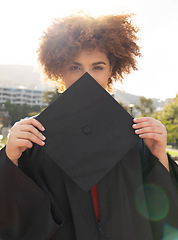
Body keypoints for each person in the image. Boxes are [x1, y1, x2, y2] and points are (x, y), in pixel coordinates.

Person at [0, 12, 178, 240]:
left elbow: (163, 211)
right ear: (59, 71)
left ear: (111, 70)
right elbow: (14, 215)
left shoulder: (133, 134)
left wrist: (159, 155)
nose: (87, 78)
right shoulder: (36, 136)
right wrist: (10, 158)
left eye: (97, 67)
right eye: (75, 67)